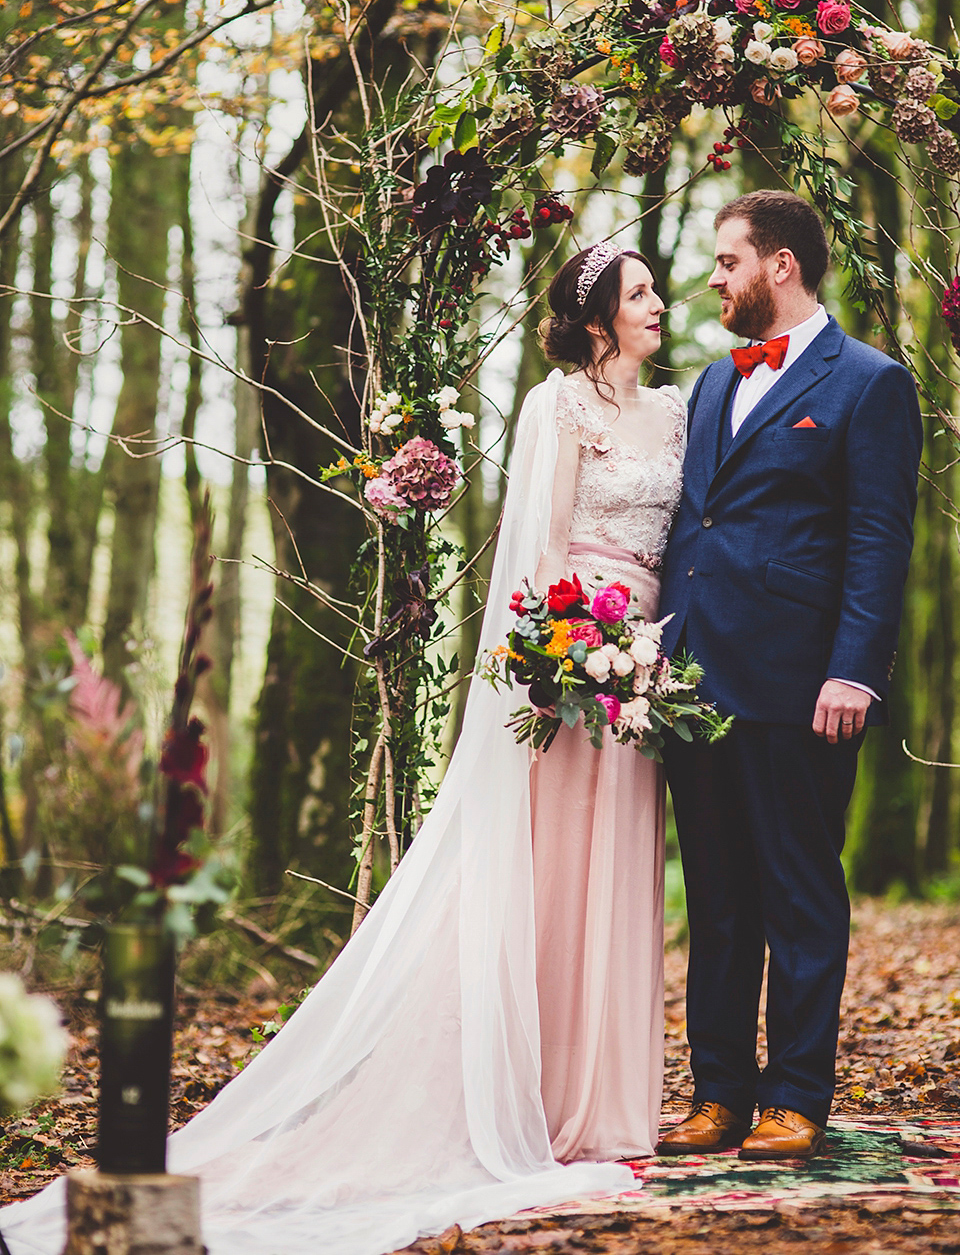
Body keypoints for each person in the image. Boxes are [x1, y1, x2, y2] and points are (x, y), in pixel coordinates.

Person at [3, 241, 682, 1255]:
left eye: (653, 288)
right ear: (596, 319)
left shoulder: (672, 413)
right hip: (575, 658)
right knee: (554, 882)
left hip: (649, 670)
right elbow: (538, 548)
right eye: (639, 293)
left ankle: (612, 1106)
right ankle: (539, 1103)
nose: (658, 301)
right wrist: (562, 652)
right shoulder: (555, 405)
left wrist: (655, 657)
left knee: (620, 878)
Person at [658, 190, 923, 1161]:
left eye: (728, 261)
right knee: (718, 900)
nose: (715, 279)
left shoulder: (869, 383)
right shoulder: (711, 385)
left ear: (780, 265)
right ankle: (719, 1091)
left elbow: (877, 538)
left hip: (800, 681)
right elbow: (696, 524)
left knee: (798, 894)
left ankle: (797, 1095)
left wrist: (854, 670)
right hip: (694, 679)